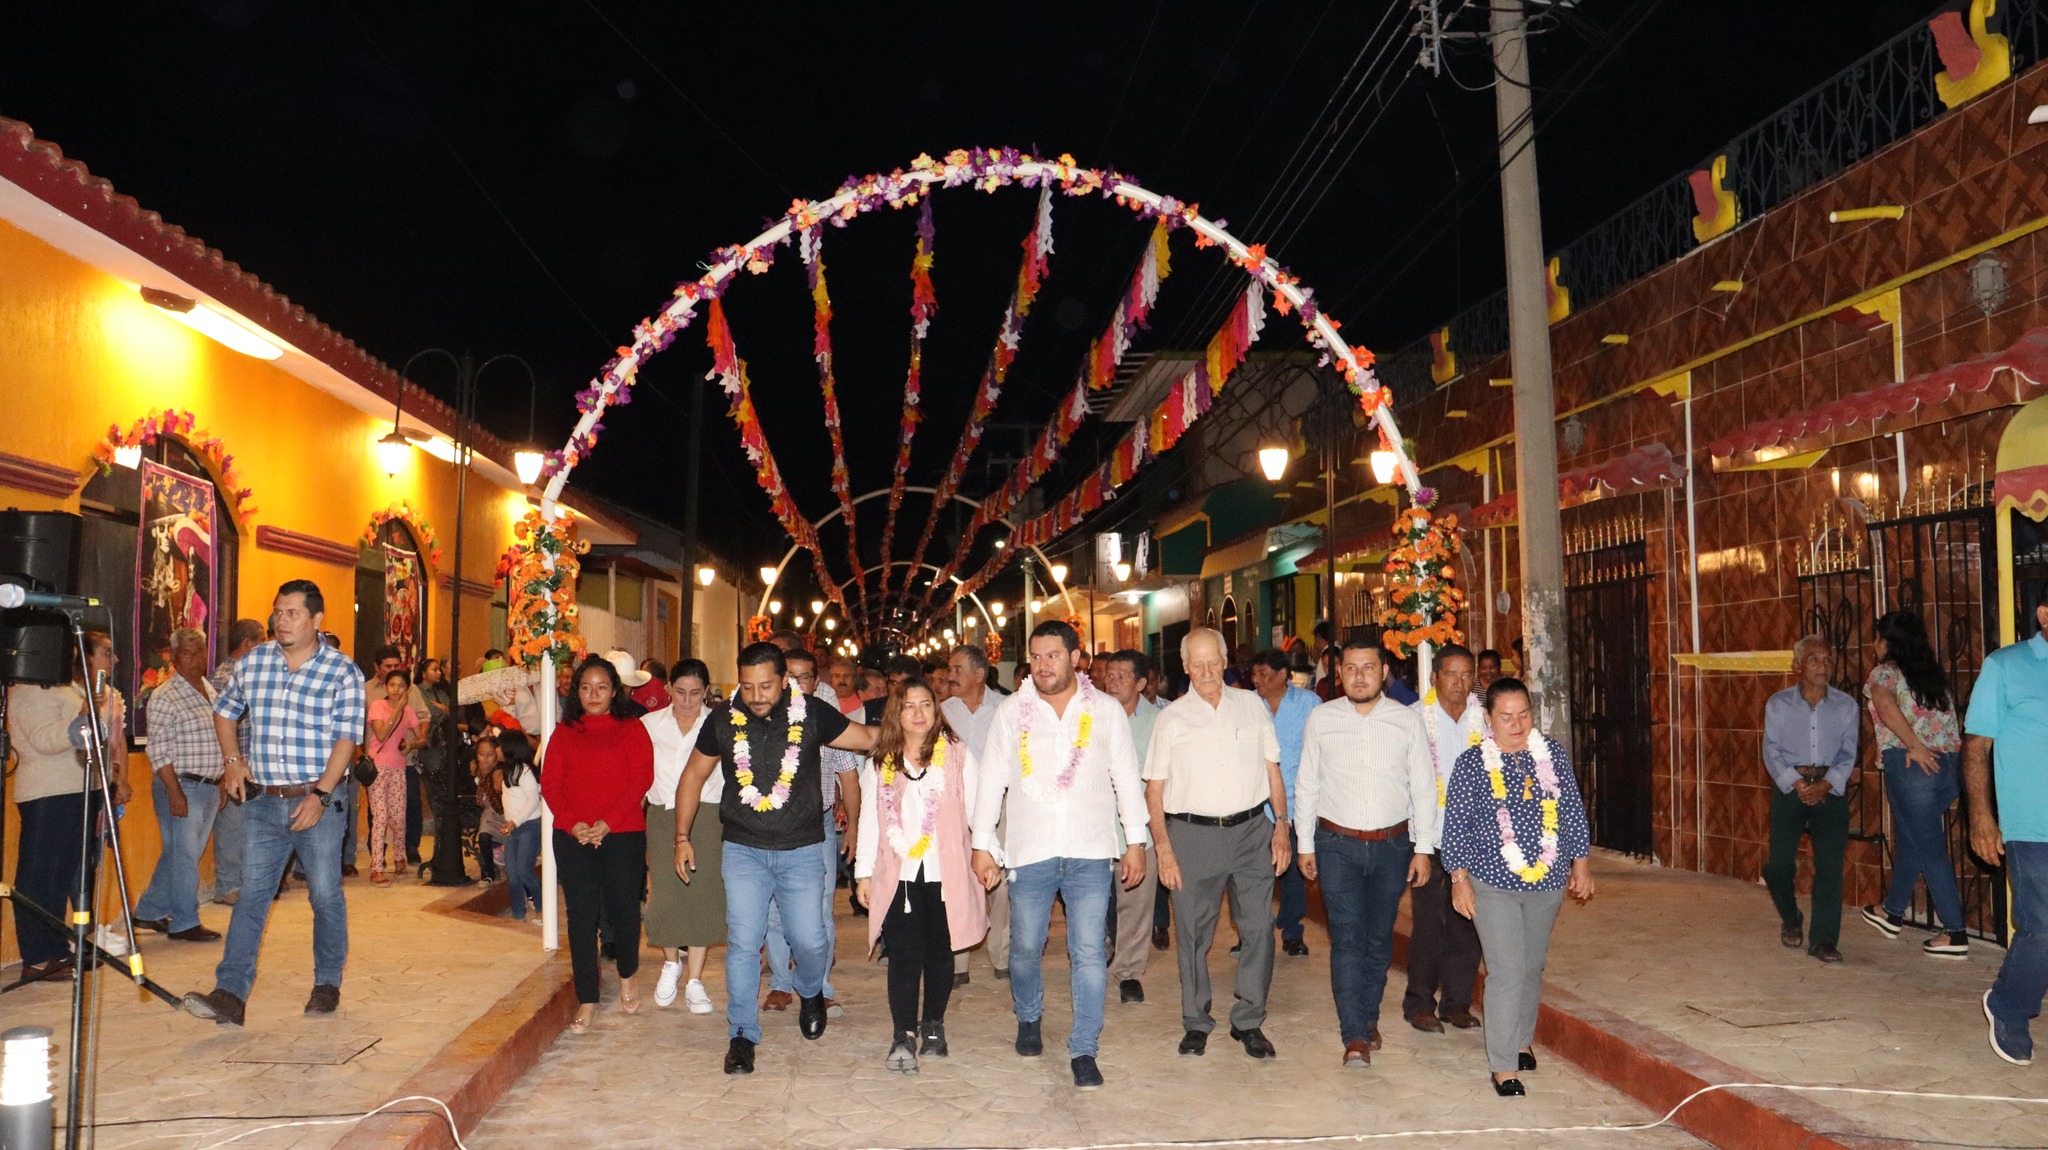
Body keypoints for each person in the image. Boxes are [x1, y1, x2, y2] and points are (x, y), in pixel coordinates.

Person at [671, 642, 876, 1075]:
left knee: (810, 939)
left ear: (785, 682)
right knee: (744, 944)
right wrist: (681, 836)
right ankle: (742, 1035)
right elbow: (693, 775)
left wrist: (919, 731)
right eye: (748, 687)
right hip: (743, 849)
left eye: (766, 685)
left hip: (801, 850)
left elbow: (865, 739)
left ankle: (810, 990)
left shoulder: (813, 714)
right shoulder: (723, 720)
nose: (758, 695)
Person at [973, 620, 1147, 1090]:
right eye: (1036, 656)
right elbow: (991, 780)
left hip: (1091, 850)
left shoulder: (1106, 711)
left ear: (1077, 657)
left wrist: (1135, 840)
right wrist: (982, 844)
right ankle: (1028, 1015)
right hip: (1031, 851)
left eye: (1053, 654)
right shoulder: (1012, 712)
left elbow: (1127, 777)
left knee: (1089, 952)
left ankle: (1085, 1048)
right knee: (1026, 947)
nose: (1043, 664)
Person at [185, 581, 363, 1027]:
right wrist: (232, 761)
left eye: (292, 613)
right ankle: (230, 993)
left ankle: (326, 983)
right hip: (264, 802)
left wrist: (321, 794)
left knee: (323, 893)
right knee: (253, 897)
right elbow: (224, 712)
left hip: (318, 802)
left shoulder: (343, 672)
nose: (281, 621)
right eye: (277, 612)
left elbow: (347, 740)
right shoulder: (255, 663)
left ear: (317, 620)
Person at [1441, 677, 1593, 1096]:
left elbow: (1572, 813)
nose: (1517, 723)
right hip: (1492, 881)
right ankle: (1503, 1065)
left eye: (1523, 714)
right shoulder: (1472, 764)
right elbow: (1455, 827)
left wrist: (1581, 864)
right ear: (1488, 719)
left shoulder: (1552, 755)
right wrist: (1459, 879)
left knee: (1531, 966)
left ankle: (1522, 1039)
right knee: (1506, 970)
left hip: (1546, 880)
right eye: (1506, 717)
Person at [1145, 626, 1288, 1062]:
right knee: (1191, 933)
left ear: (1226, 662)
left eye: (1214, 661)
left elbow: (1273, 772)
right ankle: (1196, 1021)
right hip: (1192, 835)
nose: (1206, 671)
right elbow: (1153, 791)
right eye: (1197, 663)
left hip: (1251, 833)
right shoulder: (1170, 719)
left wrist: (1281, 825)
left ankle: (1249, 1019)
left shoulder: (1252, 706)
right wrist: (1165, 850)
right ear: (1185, 667)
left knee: (1259, 928)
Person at [1296, 640, 1438, 1068]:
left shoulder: (1406, 721)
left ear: (1384, 671)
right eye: (1351, 668)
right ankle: (1355, 1034)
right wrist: (1305, 843)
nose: (1360, 676)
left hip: (1394, 847)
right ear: (1339, 672)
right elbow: (1308, 784)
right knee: (1347, 937)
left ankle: (1368, 1017)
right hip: (1336, 845)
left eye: (1369, 667)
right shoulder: (1321, 718)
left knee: (1378, 940)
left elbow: (1423, 787)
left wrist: (1423, 848)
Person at [856, 679, 988, 1073]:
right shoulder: (880, 762)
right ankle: (902, 1034)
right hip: (899, 875)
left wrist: (987, 854)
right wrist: (863, 872)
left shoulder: (959, 756)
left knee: (940, 953)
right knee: (903, 956)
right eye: (908, 706)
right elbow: (870, 822)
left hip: (946, 872)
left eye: (925, 705)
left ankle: (933, 1024)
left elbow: (979, 814)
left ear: (936, 710)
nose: (917, 713)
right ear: (896, 713)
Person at [9, 630, 130, 983]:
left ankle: (58, 948)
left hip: (80, 791)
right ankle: (38, 956)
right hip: (48, 795)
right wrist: (84, 716)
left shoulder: (73, 690)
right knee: (39, 878)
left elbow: (96, 742)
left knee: (63, 875)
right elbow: (45, 740)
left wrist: (111, 776)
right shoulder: (32, 689)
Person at [542, 655, 656, 1033]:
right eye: (586, 687)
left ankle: (627, 972)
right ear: (577, 691)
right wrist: (574, 824)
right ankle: (587, 998)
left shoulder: (632, 728)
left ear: (615, 691)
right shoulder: (564, 732)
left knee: (625, 913)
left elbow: (640, 779)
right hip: (573, 836)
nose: (594, 694)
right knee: (581, 918)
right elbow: (551, 784)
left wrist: (607, 823)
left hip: (621, 833)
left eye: (602, 687)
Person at [1965, 586, 2048, 1066]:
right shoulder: (2006, 665)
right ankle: (2009, 1006)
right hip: (2033, 825)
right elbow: (1977, 745)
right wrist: (1981, 815)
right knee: (2043, 927)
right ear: (2044, 614)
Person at [1857, 610, 1968, 958]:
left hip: (1912, 764)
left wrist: (1914, 745)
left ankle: (1955, 932)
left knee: (1930, 848)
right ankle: (1892, 912)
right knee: (1913, 840)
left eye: (1877, 638)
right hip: (1948, 767)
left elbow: (1886, 707)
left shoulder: (1884, 673)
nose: (1874, 645)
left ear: (1886, 641)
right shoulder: (1932, 677)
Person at [761, 647, 855, 1016]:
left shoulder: (825, 711)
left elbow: (848, 770)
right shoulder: (762, 710)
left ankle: (819, 986)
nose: (798, 684)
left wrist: (855, 828)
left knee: (819, 909)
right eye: (791, 677)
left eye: (805, 678)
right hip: (772, 826)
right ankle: (782, 983)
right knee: (774, 910)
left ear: (815, 681)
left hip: (818, 824)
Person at [1405, 643, 1488, 1033]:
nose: (1459, 683)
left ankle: (1456, 1004)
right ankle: (1419, 1004)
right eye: (1450, 674)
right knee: (1428, 925)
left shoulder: (1486, 722)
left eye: (1466, 675)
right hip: (1428, 840)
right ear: (1434, 677)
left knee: (1468, 925)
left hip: (1475, 842)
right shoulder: (1412, 720)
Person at [1761, 636, 1859, 963]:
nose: (1823, 666)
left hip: (1829, 792)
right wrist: (1798, 783)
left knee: (1830, 867)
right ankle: (1791, 918)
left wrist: (1827, 784)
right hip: (1791, 788)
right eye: (1814, 660)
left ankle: (1823, 940)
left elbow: (1848, 753)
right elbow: (1771, 751)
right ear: (1798, 666)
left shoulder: (1846, 706)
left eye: (1828, 660)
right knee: (1777, 866)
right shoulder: (1778, 704)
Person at [132, 627, 225, 941]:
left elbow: (220, 737)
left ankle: (148, 911)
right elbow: (158, 749)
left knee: (179, 854)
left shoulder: (209, 689)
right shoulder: (165, 695)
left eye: (200, 651)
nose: (196, 659)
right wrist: (175, 792)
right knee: (184, 857)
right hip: (181, 786)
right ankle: (185, 921)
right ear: (173, 656)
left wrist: (223, 781)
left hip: (209, 785)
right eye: (187, 652)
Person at [642, 659, 722, 1013]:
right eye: (679, 692)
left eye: (695, 693)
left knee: (702, 891)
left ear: (706, 691)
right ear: (667, 689)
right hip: (662, 816)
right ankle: (670, 962)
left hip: (708, 815)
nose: (687, 701)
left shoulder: (719, 724)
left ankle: (695, 979)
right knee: (666, 891)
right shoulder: (648, 725)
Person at [1099, 649, 1162, 1004]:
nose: (1113, 681)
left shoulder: (1158, 723)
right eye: (1109, 674)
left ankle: (1129, 973)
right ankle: (1095, 957)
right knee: (1092, 904)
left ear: (1141, 683)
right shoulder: (1088, 717)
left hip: (1136, 832)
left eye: (1122, 675)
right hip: (1093, 829)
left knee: (1136, 906)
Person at [1249, 647, 1320, 958]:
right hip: (1255, 805)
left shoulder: (1309, 704)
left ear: (1282, 675)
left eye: (1263, 674)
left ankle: (1292, 932)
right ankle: (1252, 934)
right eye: (1254, 674)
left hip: (1297, 804)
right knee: (1253, 874)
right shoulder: (1248, 705)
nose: (1257, 680)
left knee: (1293, 872)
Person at [942, 643, 1004, 984]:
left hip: (1001, 801)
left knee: (1003, 881)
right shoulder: (943, 712)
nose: (951, 676)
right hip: (957, 804)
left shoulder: (1006, 708)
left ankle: (1002, 953)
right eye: (950, 670)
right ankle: (958, 963)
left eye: (957, 670)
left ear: (980, 675)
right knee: (959, 879)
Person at [209, 617, 265, 906]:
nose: (266, 647)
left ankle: (245, 882)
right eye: (261, 640)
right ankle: (227, 886)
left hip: (252, 766)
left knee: (248, 827)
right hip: (232, 765)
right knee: (231, 827)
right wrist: (227, 765)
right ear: (247, 644)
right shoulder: (226, 676)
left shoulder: (251, 673)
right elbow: (220, 722)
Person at [363, 669, 420, 887]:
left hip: (399, 768)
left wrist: (411, 744)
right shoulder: (378, 706)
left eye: (401, 686)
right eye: (392, 685)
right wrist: (397, 709)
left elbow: (421, 737)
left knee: (398, 816)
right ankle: (377, 867)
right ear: (386, 687)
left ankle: (399, 855)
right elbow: (380, 734)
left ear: (408, 689)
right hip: (377, 768)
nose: (396, 689)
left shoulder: (409, 712)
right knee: (380, 816)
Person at [483, 732, 542, 922]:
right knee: (512, 873)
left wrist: (516, 821)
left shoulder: (523, 771)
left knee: (524, 870)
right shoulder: (508, 770)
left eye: (499, 746)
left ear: (510, 748)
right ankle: (518, 913)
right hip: (512, 827)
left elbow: (533, 800)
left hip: (528, 826)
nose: (496, 750)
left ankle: (542, 908)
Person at [412, 656, 455, 867]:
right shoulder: (417, 690)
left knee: (443, 784)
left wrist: (440, 707)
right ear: (423, 672)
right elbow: (433, 712)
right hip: (426, 746)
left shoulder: (440, 691)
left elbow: (449, 709)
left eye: (439, 669)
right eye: (434, 669)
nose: (438, 673)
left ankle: (443, 828)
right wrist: (440, 708)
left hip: (441, 745)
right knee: (431, 787)